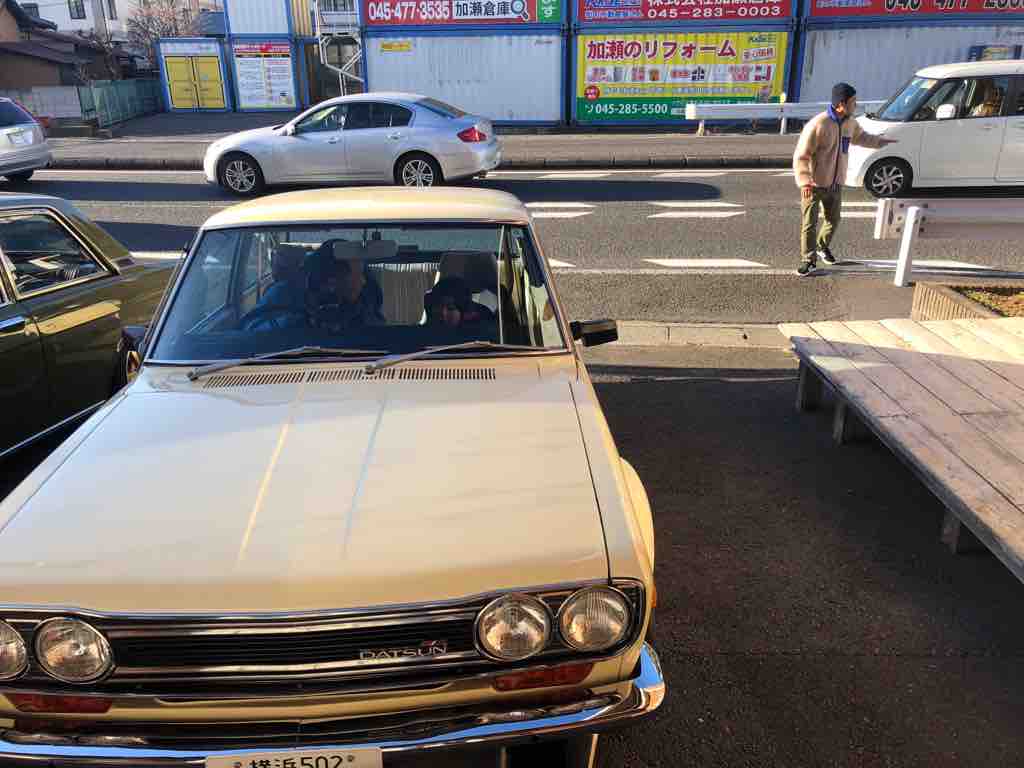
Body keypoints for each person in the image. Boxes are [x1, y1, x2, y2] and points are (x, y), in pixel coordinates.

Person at [793, 82, 898, 276]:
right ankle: (808, 259)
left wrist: (880, 142)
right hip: (814, 184)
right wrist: (805, 181)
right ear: (841, 104)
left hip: (835, 183)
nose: (855, 105)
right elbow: (801, 156)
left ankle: (822, 246)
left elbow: (861, 137)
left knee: (834, 219)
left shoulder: (850, 122)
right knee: (809, 223)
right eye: (853, 102)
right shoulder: (818, 124)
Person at [310, 249, 385, 331]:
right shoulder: (312, 316)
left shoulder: (371, 320)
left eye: (363, 275)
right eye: (357, 274)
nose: (363, 281)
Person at [424, 277, 494, 329]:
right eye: (438, 306)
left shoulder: (480, 336)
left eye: (450, 308)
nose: (442, 313)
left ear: (465, 313)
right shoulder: (422, 335)